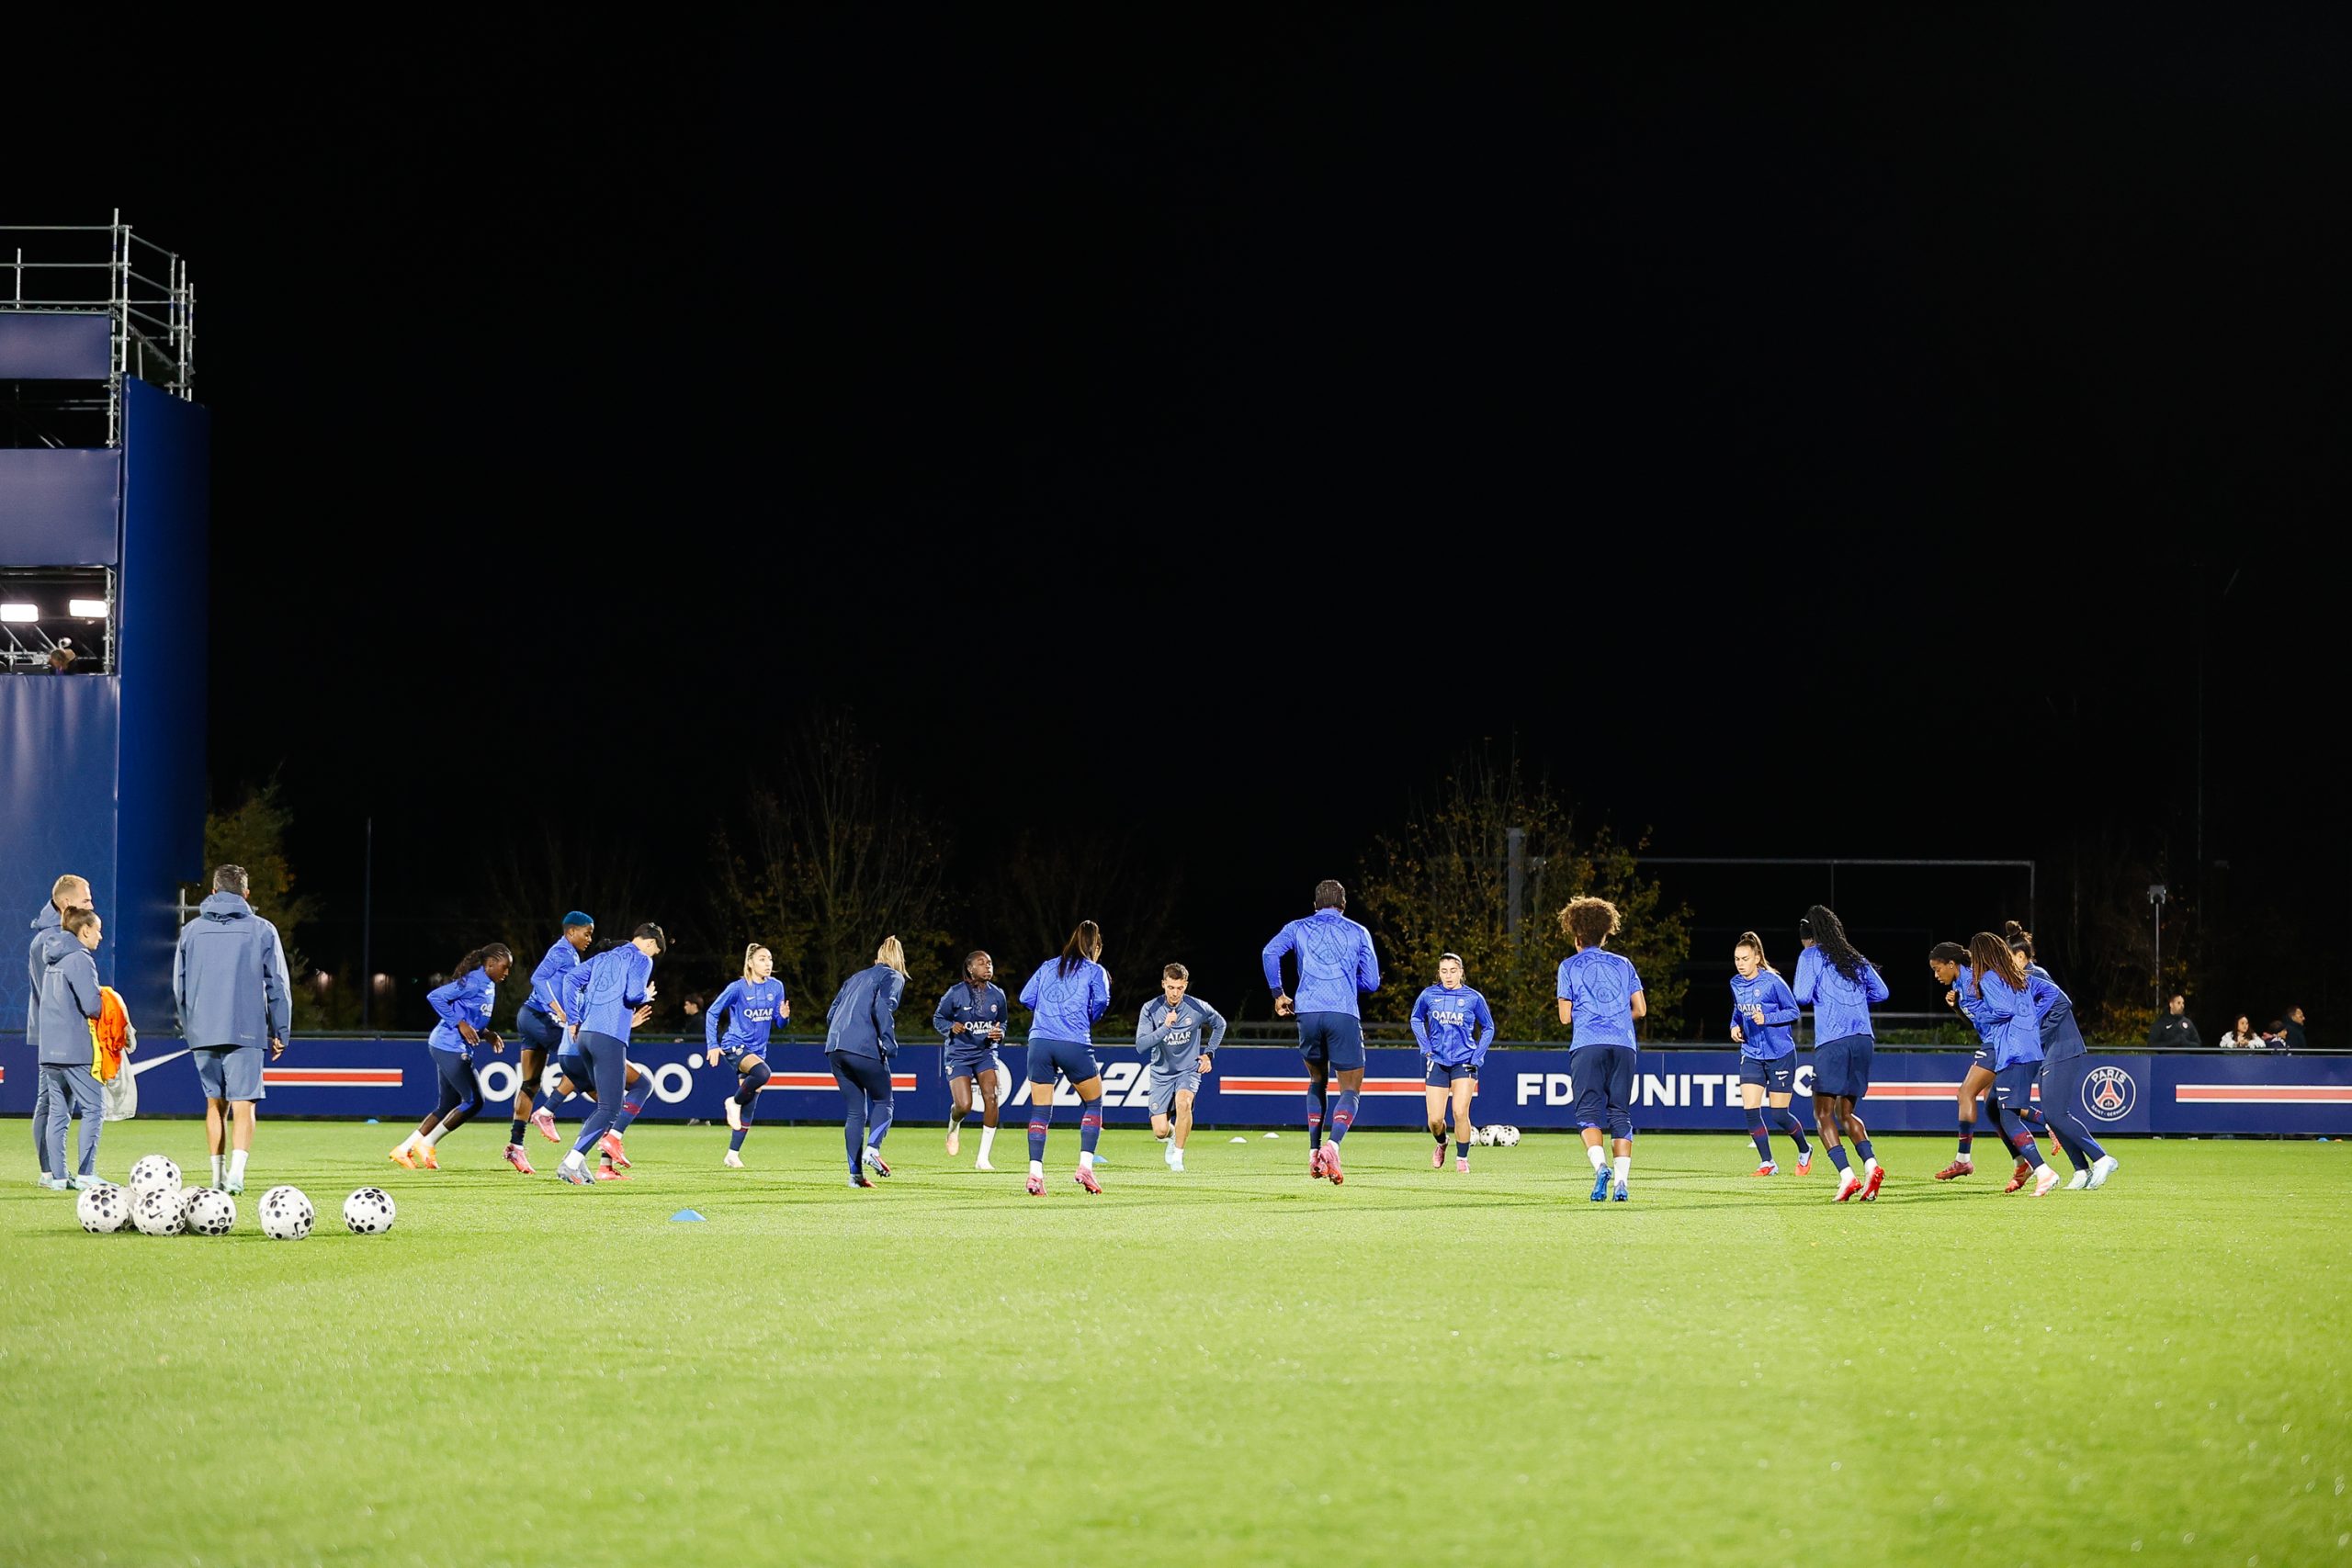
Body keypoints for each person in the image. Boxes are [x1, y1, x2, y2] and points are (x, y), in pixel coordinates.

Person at [174, 863, 292, 1196]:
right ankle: (237, 1177)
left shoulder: (192, 931)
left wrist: (191, 1026)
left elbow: (178, 987)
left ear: (213, 891)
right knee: (244, 1105)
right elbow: (278, 985)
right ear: (246, 893)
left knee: (215, 1104)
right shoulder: (262, 929)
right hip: (246, 1029)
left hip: (203, 1029)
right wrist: (280, 1030)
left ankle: (216, 1177)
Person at [1261, 880, 1381, 1185]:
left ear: (1315, 904)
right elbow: (1371, 982)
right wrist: (1344, 980)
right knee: (1350, 1089)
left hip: (1307, 1012)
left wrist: (1279, 993)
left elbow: (1269, 953)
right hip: (1342, 1013)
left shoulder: (1297, 927)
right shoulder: (1358, 931)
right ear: (1344, 905)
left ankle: (1314, 1152)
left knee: (1316, 1079)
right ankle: (1333, 1145)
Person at [1792, 904, 1889, 1203]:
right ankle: (1871, 1166)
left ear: (1809, 937)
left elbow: (1801, 995)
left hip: (1833, 1040)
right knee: (1846, 1113)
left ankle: (1847, 1177)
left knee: (1822, 1113)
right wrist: (1855, 1000)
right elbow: (1882, 992)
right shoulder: (1855, 958)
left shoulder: (1811, 955)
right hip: (1863, 1039)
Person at [2009, 923, 2119, 1190]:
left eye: (2007, 958)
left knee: (2056, 1113)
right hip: (2051, 1051)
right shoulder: (2024, 980)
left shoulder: (2036, 975)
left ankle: (2102, 1158)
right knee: (2051, 1114)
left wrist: (2038, 1036)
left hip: (2064, 1047)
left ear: (2021, 957)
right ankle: (2081, 1170)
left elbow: (2062, 1002)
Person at [553, 923, 663, 1187]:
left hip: (585, 1036)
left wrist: (573, 1018)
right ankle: (571, 1162)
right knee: (610, 1107)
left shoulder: (603, 957)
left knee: (607, 1103)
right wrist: (645, 995)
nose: (652, 957)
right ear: (649, 944)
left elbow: (570, 980)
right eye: (655, 951)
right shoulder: (641, 958)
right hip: (609, 1035)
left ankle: (577, 1161)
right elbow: (633, 994)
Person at [390, 945, 512, 1169]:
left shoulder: (488, 985)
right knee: (475, 1101)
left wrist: (487, 1034)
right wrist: (460, 1022)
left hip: (448, 1045)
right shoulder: (474, 981)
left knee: (449, 1104)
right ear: (491, 963)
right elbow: (435, 996)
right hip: (450, 1045)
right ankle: (427, 1143)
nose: (507, 972)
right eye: (505, 967)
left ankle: (404, 1149)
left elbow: (472, 1018)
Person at [1556, 896, 1645, 1201]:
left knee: (1587, 1114)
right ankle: (1622, 1183)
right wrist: (1617, 1017)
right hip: (1624, 1044)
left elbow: (1565, 1018)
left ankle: (1601, 1168)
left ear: (1577, 935)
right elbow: (1641, 1010)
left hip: (1587, 1044)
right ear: (1606, 933)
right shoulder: (1624, 964)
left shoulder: (1568, 966)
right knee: (1620, 1112)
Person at [1928, 941, 2034, 1185]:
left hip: (1999, 1043)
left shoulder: (1978, 978)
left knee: (1966, 1093)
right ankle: (2022, 1162)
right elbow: (1977, 1021)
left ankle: (1963, 1159)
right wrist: (1957, 1008)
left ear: (1951, 963)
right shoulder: (1961, 984)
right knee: (1993, 1106)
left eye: (1937, 968)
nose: (1936, 975)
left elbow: (2001, 1010)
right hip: (1993, 1041)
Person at [1019, 921, 1113, 1195]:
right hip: (1073, 1042)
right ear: (1095, 946)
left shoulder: (1049, 965)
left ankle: (1035, 1174)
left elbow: (1026, 997)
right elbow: (1102, 1002)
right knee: (1094, 1102)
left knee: (1039, 1111)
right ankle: (1085, 1166)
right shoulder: (1096, 971)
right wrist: (1086, 1019)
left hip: (1039, 1042)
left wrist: (1049, 1012)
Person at [1967, 931, 2063, 1197]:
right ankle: (2045, 1131)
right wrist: (2031, 1019)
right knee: (1998, 1106)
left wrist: (1979, 1012)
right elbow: (2053, 994)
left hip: (2013, 1052)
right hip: (2031, 1050)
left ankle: (2043, 1171)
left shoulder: (1989, 978)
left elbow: (2002, 1010)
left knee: (2007, 1115)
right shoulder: (2020, 977)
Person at [826, 936, 909, 1188]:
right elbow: (882, 1007)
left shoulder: (855, 977)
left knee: (855, 1112)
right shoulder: (893, 976)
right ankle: (872, 1149)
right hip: (863, 1047)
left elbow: (831, 1014)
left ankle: (855, 1177)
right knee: (884, 1100)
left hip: (835, 1048)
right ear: (899, 960)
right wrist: (888, 1042)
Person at [28, 872, 92, 1189]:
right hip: (55, 1032)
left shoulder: (60, 936)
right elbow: (48, 993)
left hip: (55, 1032)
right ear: (66, 903)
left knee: (53, 1103)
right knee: (50, 1103)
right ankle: (50, 1172)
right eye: (86, 900)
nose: (91, 905)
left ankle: (54, 1172)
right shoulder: (51, 940)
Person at [513, 911, 594, 1162]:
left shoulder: (570, 954)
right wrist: (557, 1009)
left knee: (530, 1083)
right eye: (587, 933)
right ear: (571, 932)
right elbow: (538, 978)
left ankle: (515, 1146)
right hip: (540, 1017)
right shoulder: (562, 951)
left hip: (529, 1016)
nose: (590, 938)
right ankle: (547, 1111)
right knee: (578, 1061)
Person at [35, 906, 107, 1190]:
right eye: (98, 930)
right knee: (93, 1108)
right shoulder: (79, 958)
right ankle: (87, 1174)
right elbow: (91, 1006)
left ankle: (59, 1178)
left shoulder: (53, 957)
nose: (100, 936)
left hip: (50, 1049)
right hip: (75, 1049)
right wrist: (107, 1001)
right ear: (85, 929)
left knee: (58, 1112)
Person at [1728, 931, 1810, 1176]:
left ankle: (1805, 1149)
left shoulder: (1773, 982)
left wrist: (1768, 1018)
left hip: (1780, 1054)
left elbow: (1794, 1011)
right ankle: (1768, 1162)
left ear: (1757, 958)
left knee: (1779, 1114)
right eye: (1737, 959)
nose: (1740, 963)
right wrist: (1734, 1025)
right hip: (1751, 1052)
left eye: (1745, 958)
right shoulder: (1735, 983)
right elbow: (1737, 1011)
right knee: (1750, 1108)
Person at [1136, 962, 1226, 1173]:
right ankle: (1173, 1136)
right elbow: (1141, 1045)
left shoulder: (1197, 1007)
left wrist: (1209, 1054)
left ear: (1185, 985)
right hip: (1161, 1073)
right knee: (1159, 1131)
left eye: (1179, 988)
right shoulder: (1151, 1009)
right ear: (1163, 984)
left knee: (1184, 1103)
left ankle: (1178, 1157)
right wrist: (1165, 1027)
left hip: (1188, 1069)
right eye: (1170, 987)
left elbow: (1220, 1024)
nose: (1175, 993)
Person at [707, 942, 788, 1167]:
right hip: (735, 1044)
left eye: (770, 959)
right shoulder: (738, 988)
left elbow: (779, 1023)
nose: (768, 963)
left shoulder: (776, 987)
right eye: (762, 959)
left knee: (751, 1103)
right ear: (750, 963)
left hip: (758, 1050)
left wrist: (784, 1017)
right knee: (763, 1073)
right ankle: (732, 1102)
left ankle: (732, 1154)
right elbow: (712, 1012)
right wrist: (712, 1044)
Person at [1412, 953, 1494, 1172]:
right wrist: (1425, 1046)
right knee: (1435, 1120)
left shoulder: (1473, 998)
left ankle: (1462, 1160)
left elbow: (1489, 1027)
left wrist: (1477, 1056)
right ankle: (1442, 1143)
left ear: (1461, 972)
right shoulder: (1429, 995)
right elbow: (1416, 1018)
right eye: (1444, 971)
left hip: (1464, 1060)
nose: (1448, 975)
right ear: (1438, 973)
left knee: (1459, 1111)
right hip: (1437, 1061)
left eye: (1453, 970)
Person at [933, 951, 1011, 1168]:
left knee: (992, 1098)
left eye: (990, 962)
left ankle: (983, 1158)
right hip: (959, 1054)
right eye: (982, 963)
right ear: (970, 968)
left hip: (986, 1053)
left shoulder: (998, 995)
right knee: (964, 1106)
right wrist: (950, 1026)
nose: (988, 966)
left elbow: (1002, 1022)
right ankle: (954, 1123)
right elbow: (938, 1018)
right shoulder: (955, 993)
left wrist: (1000, 1033)